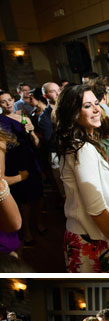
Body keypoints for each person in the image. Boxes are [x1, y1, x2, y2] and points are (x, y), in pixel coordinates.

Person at [55, 84, 109, 272]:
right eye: (87, 106)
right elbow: (96, 209)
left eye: (96, 103)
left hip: (101, 235)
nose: (96, 109)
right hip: (93, 238)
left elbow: (106, 188)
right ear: (72, 113)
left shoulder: (87, 143)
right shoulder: (81, 149)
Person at [0, 89, 43, 246]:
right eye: (3, 102)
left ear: (13, 99)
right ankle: (26, 231)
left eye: (9, 100)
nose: (7, 103)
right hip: (15, 161)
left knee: (38, 195)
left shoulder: (23, 117)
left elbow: (37, 143)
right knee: (25, 199)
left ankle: (38, 223)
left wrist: (32, 133)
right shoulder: (0, 121)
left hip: (31, 158)